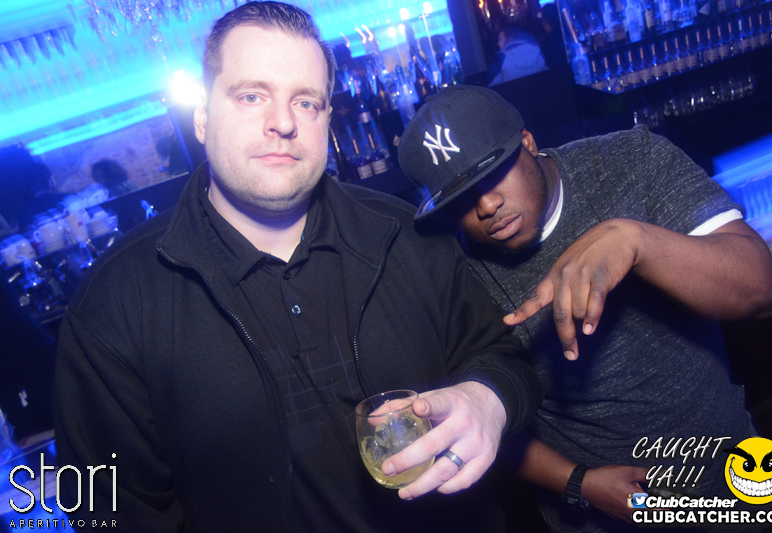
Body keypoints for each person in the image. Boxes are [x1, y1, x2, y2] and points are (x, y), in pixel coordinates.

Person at [53, 4, 542, 532]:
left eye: (306, 102)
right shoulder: (116, 302)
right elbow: (104, 508)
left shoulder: (407, 235)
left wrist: (486, 400)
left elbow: (504, 358)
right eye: (251, 96)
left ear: (327, 119)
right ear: (202, 116)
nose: (283, 123)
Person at [397, 85, 772, 532]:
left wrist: (635, 241)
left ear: (527, 143)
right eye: (459, 198)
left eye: (493, 172)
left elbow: (761, 291)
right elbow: (479, 421)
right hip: (599, 515)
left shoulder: (631, 161)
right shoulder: (456, 269)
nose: (486, 205)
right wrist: (578, 482)